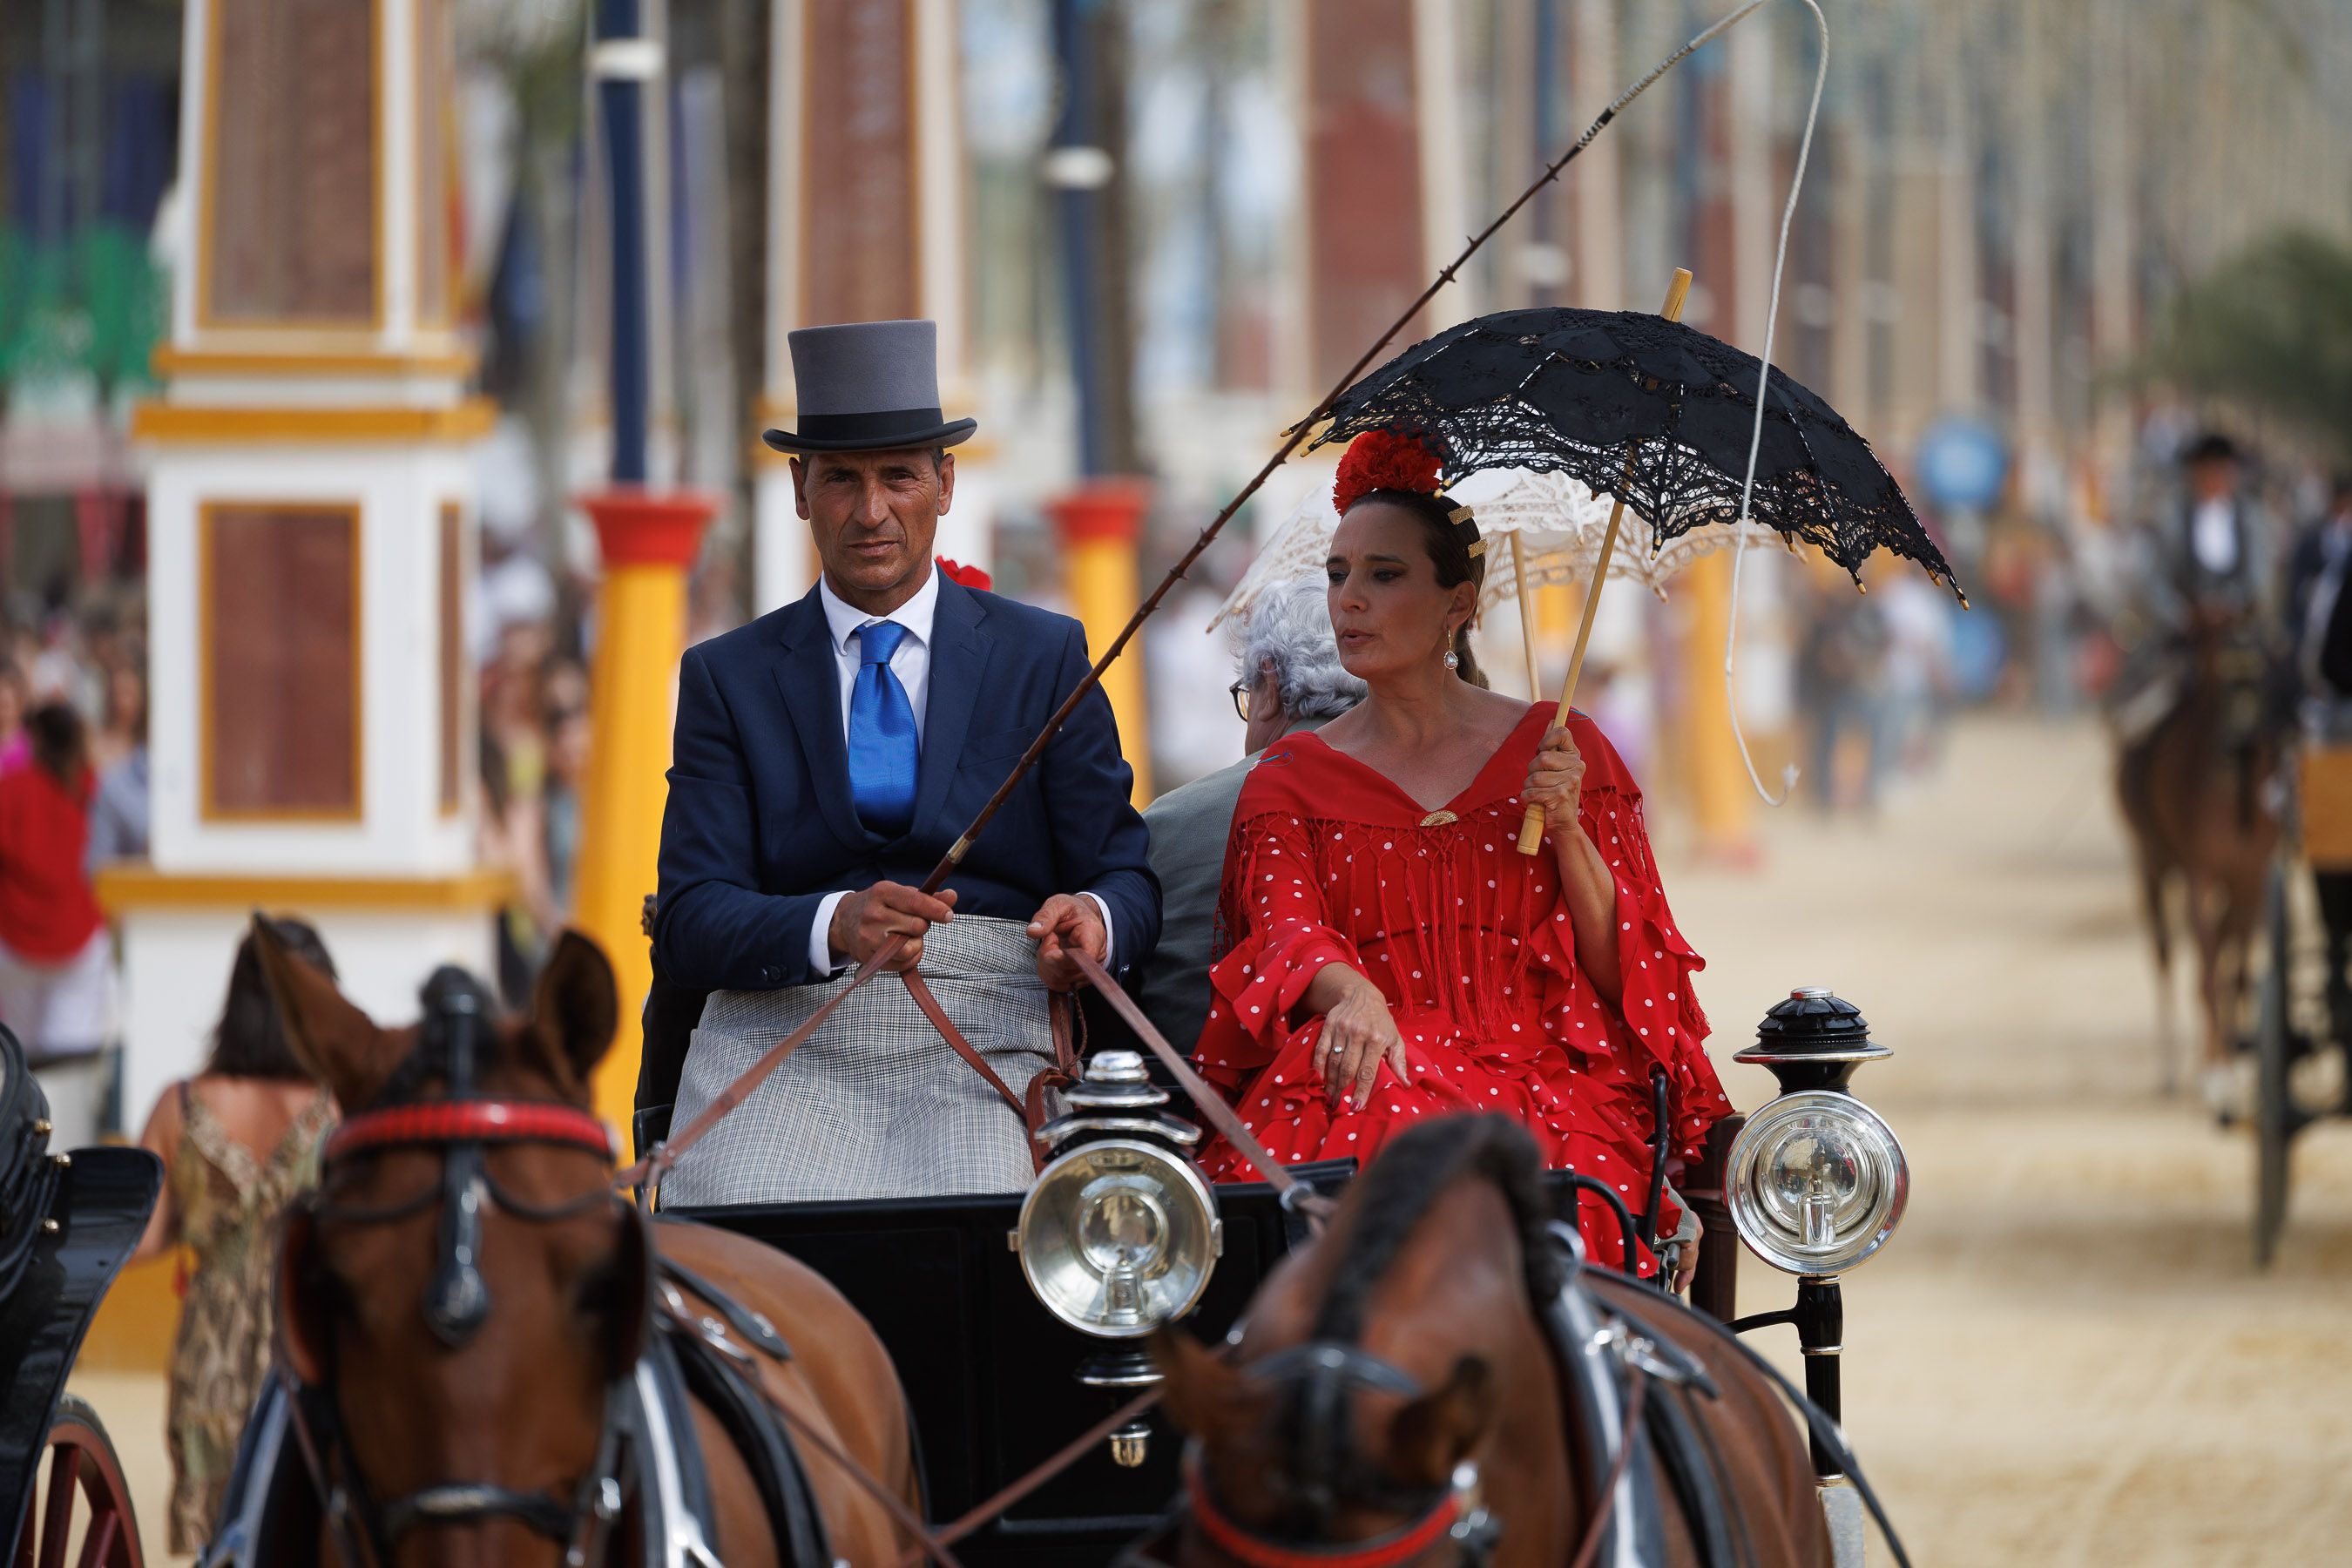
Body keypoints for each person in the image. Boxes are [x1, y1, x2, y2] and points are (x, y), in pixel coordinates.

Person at [1189, 432, 1729, 1286]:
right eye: (1338, 575)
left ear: (1459, 604)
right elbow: (1284, 931)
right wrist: (1352, 989)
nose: (1349, 602)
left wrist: (1566, 828)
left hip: (1546, 1085)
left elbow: (1626, 963)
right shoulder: (1290, 779)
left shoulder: (1561, 746)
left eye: (1384, 575)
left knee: (1565, 1216)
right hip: (1367, 1072)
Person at [652, 319, 1159, 1204]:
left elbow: (1127, 874)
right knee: (733, 1247)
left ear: (946, 483)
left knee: (993, 1243)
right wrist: (831, 924)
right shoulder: (725, 678)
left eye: (899, 476)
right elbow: (692, 915)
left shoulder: (1044, 658)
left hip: (990, 1036)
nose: (872, 509)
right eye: (841, 479)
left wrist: (1092, 920)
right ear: (800, 489)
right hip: (780, 1034)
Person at [131, 921, 337, 1554]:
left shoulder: (182, 1105)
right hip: (306, 1348)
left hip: (208, 1365)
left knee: (221, 1545)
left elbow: (140, 1240)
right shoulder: (338, 1112)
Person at [1134, 578, 1363, 1052]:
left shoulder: (1174, 818)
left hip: (1187, 1093)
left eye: (1247, 693)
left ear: (1271, 685)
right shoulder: (1417, 807)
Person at [0, 703, 111, 1145]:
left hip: (16, 943)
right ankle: (65, 1152)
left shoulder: (12, 788)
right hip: (78, 941)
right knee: (71, 1065)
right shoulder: (84, 785)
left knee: (20, 1060)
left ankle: (18, 1159)